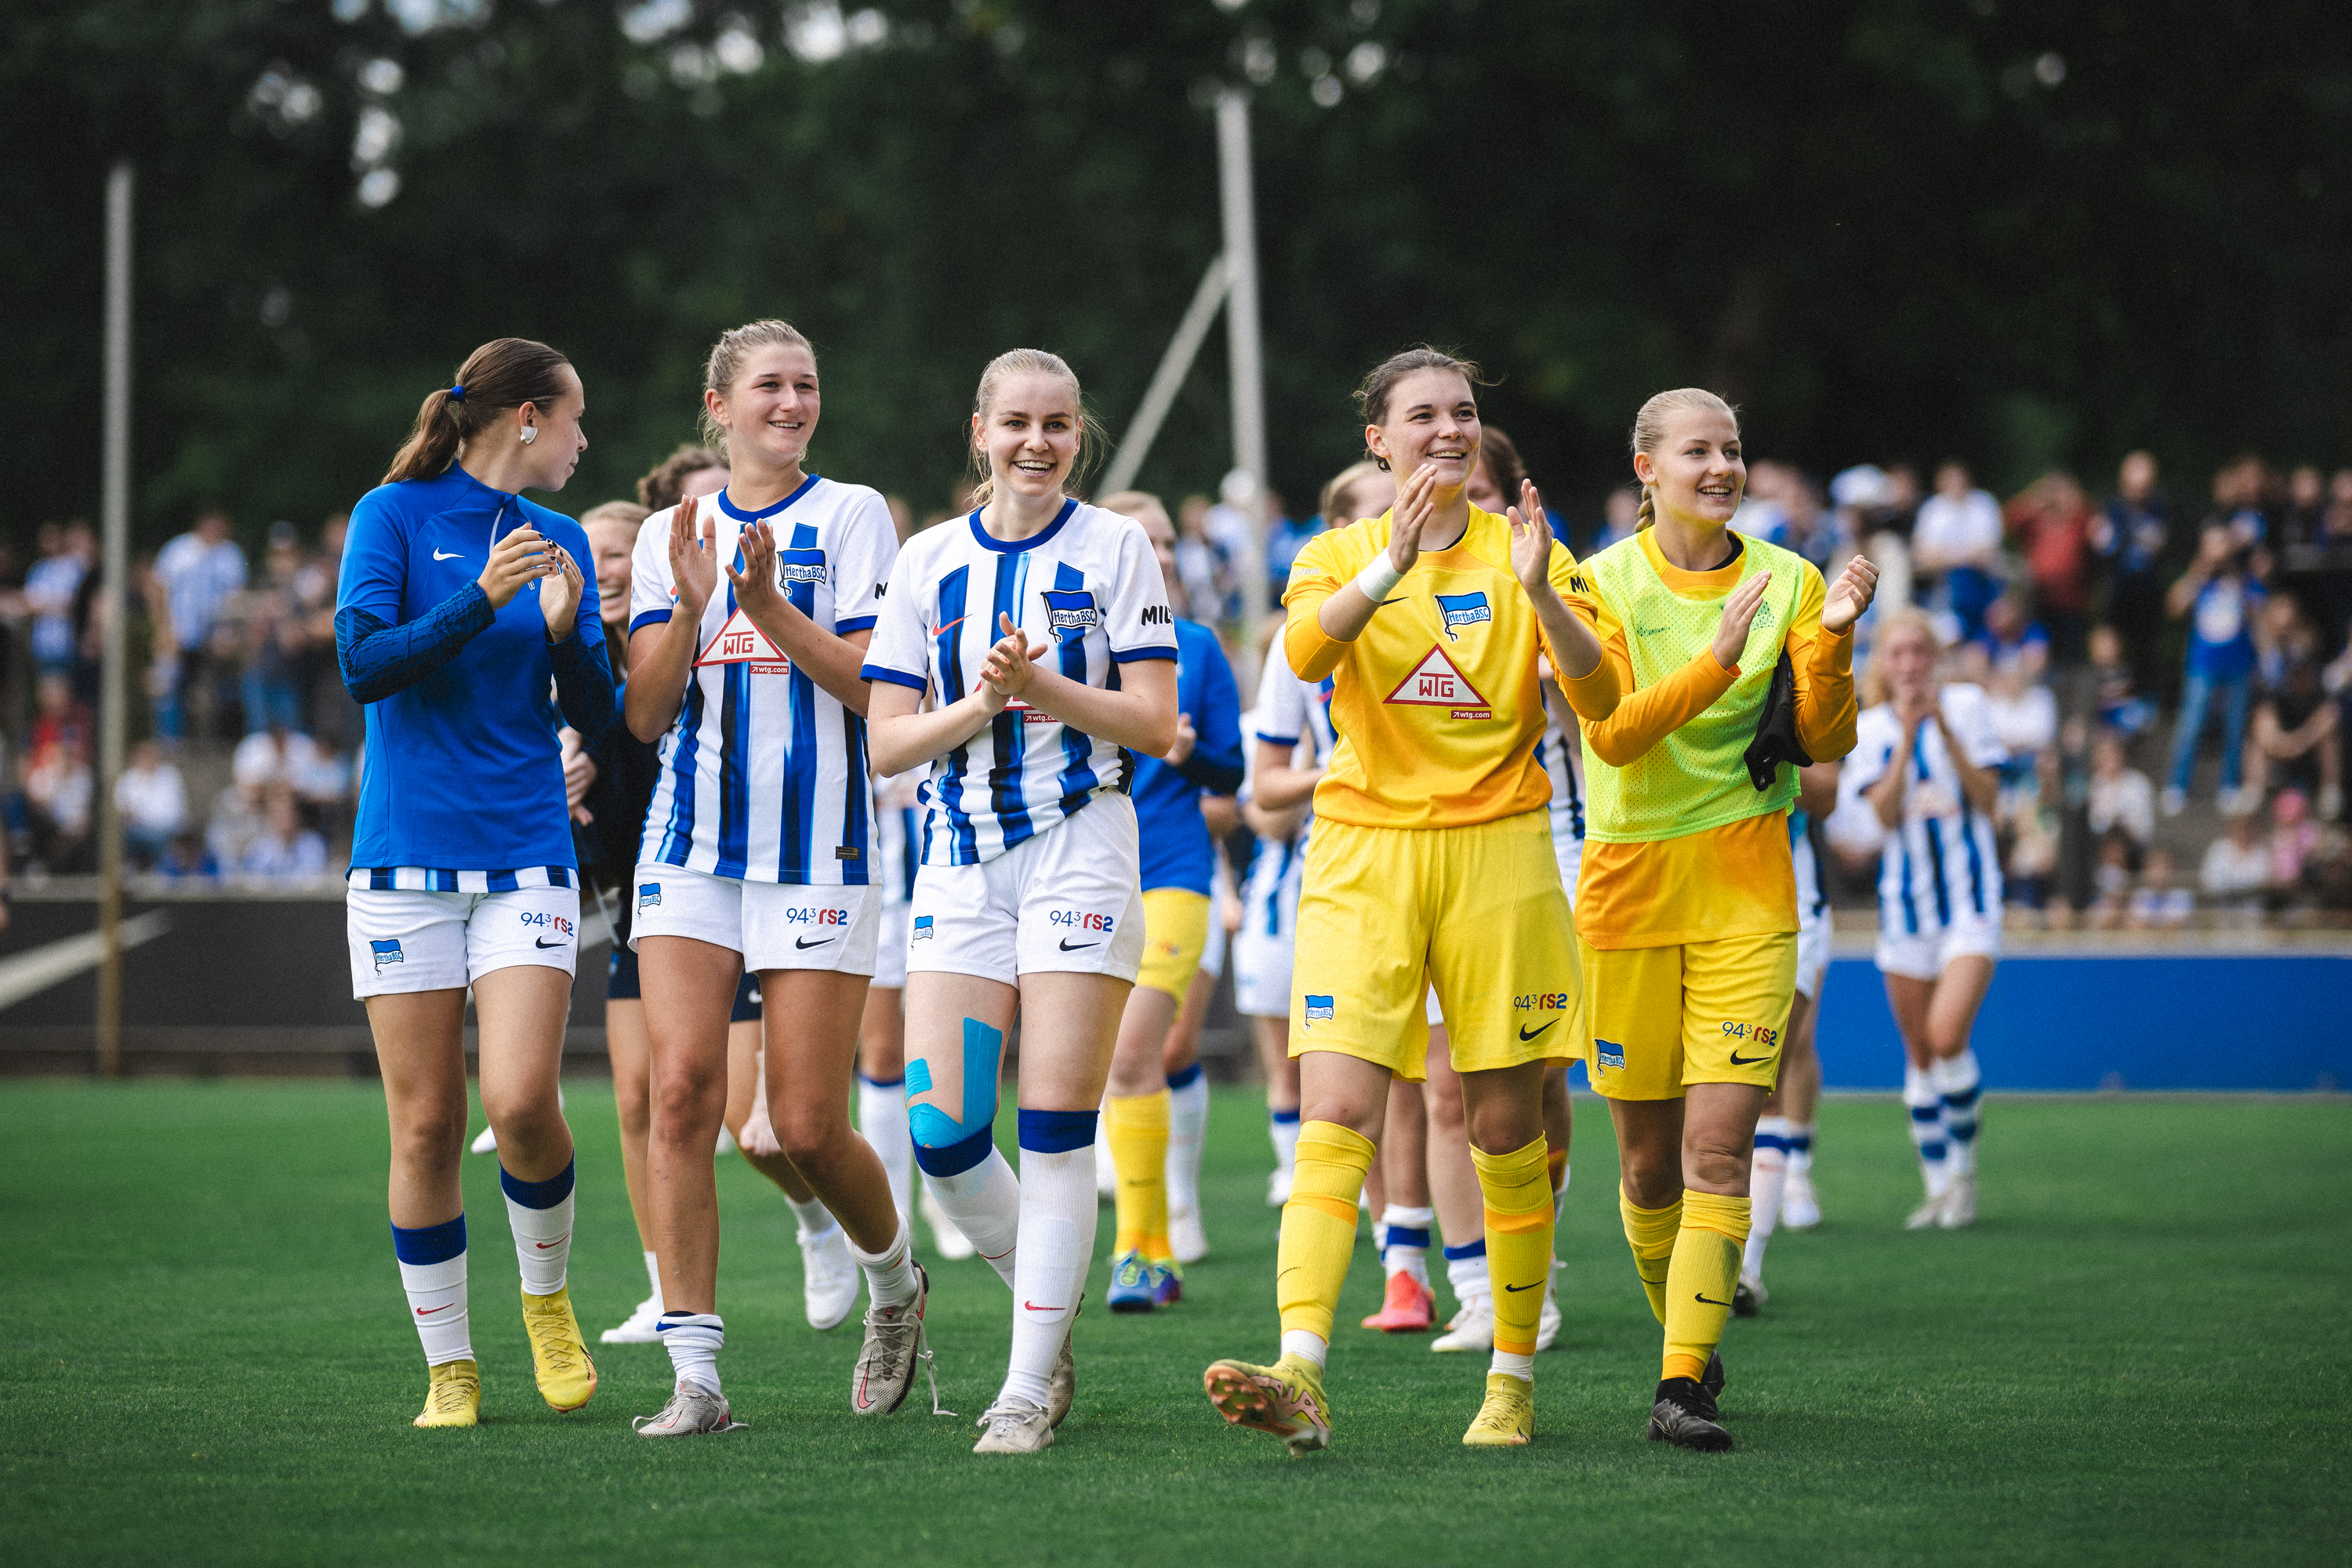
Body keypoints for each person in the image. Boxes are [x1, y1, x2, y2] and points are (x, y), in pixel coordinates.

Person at [1200, 347, 1619, 1455]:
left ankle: (1513, 1378)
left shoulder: (1533, 549)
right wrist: (1388, 560)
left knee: (1500, 1123)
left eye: (1464, 414)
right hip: (1361, 858)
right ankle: (1300, 1365)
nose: (1448, 430)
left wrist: (1538, 592)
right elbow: (1302, 648)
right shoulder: (1333, 553)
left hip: (1501, 858)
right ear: (1376, 440)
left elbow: (1605, 696)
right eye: (1422, 415)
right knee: (1335, 1112)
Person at [862, 347, 1181, 1454]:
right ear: (980, 431)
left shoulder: (1116, 544)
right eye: (1017, 424)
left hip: (1084, 848)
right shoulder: (927, 561)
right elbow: (891, 743)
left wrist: (1042, 686)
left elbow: (1154, 724)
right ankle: (1041, 1326)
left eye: (1056, 425)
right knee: (943, 1136)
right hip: (958, 856)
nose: (1037, 444)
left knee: (1053, 1132)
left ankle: (1027, 1383)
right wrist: (986, 703)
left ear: (1078, 434)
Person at [622, 320, 909, 1438]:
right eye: (770, 387)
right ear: (719, 406)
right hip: (690, 848)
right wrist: (695, 603)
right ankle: (696, 1377)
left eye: (807, 385)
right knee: (684, 1095)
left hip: (819, 849)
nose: (791, 403)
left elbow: (877, 692)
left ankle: (895, 1288)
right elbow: (645, 716)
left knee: (800, 1124)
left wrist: (775, 608)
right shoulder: (664, 534)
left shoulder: (854, 515)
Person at [1573, 388, 1874, 1452]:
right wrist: (1714, 658)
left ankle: (1681, 1386)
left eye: (1733, 449)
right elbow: (1612, 736)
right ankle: (1688, 1336)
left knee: (1717, 1148)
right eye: (1697, 450)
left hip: (1750, 886)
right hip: (1628, 889)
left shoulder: (1790, 577)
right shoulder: (1595, 581)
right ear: (1646, 467)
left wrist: (1832, 641)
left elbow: (1822, 737)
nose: (1721, 466)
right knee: (1648, 1166)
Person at [336, 336, 612, 1430]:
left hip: (526, 853)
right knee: (424, 1127)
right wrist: (474, 602)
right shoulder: (391, 516)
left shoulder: (561, 541)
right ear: (528, 419)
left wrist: (562, 637)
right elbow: (364, 666)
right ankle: (450, 1366)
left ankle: (547, 1303)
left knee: (524, 1101)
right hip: (402, 860)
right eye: (575, 419)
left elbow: (592, 707)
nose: (586, 441)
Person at [1094, 490, 1243, 1312]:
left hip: (1175, 875)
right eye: (1136, 540)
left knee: (1130, 1055)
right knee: (1111, 1066)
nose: (1154, 552)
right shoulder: (1071, 648)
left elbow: (1232, 774)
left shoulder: (1197, 646)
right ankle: (1153, 1248)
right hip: (1086, 876)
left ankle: (1134, 1253)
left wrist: (1185, 752)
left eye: (1161, 540)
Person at [1234, 462, 1386, 1214]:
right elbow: (1261, 803)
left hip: (1419, 872)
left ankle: (1415, 1239)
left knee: (1428, 1080)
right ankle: (1309, 1184)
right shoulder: (1302, 660)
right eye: (1382, 513)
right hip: (1300, 892)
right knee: (1297, 1066)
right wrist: (1336, 772)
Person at [1837, 607, 2002, 1233]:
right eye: (1898, 654)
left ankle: (1963, 1173)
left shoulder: (1967, 708)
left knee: (1946, 1035)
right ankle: (1937, 1188)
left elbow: (1990, 800)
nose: (1910, 664)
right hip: (1905, 911)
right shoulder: (1873, 728)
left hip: (1970, 905)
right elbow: (1876, 821)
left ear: (1934, 658)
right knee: (1919, 1055)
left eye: (1919, 652)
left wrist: (1946, 737)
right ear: (1885, 663)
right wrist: (1908, 738)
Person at [1737, 761, 1838, 1312]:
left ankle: (1745, 1268)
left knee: (1763, 1076)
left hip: (1789, 904)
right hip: (1697, 897)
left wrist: (1769, 756)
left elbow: (1827, 792)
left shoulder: (1795, 676)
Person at [2164, 524, 2267, 816]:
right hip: (2202, 664)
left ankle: (2229, 786)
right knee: (2191, 725)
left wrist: (2235, 571)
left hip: (2238, 664)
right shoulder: (2200, 580)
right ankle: (2177, 785)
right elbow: (2173, 607)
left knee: (2235, 729)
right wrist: (2199, 571)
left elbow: (2259, 611)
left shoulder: (2244, 578)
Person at [154, 510, 249, 741]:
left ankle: (221, 740)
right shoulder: (179, 550)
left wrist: (231, 633)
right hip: (181, 630)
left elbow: (237, 597)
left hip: (217, 633)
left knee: (221, 688)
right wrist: (164, 627)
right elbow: (158, 588)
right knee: (171, 685)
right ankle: (171, 741)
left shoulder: (230, 555)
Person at [2092, 452, 2169, 691]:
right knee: (2108, 654)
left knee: (2146, 657)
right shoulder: (2110, 507)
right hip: (2117, 592)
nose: (2140, 492)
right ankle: (2107, 708)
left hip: (2147, 593)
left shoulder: (2159, 508)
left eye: (2146, 486)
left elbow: (2159, 543)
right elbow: (2101, 544)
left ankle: (2143, 708)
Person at [1911, 462, 2003, 644]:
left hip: (1982, 580)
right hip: (1942, 584)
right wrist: (1965, 556)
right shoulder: (1933, 509)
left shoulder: (1983, 503)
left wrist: (1946, 556)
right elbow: (1922, 554)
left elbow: (1988, 552)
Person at [114, 739, 187, 868]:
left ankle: (162, 871)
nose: (147, 760)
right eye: (143, 756)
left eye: (150, 755)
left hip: (166, 829)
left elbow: (175, 812)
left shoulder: (170, 775)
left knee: (160, 838)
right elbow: (120, 809)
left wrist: (144, 818)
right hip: (136, 831)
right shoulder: (127, 779)